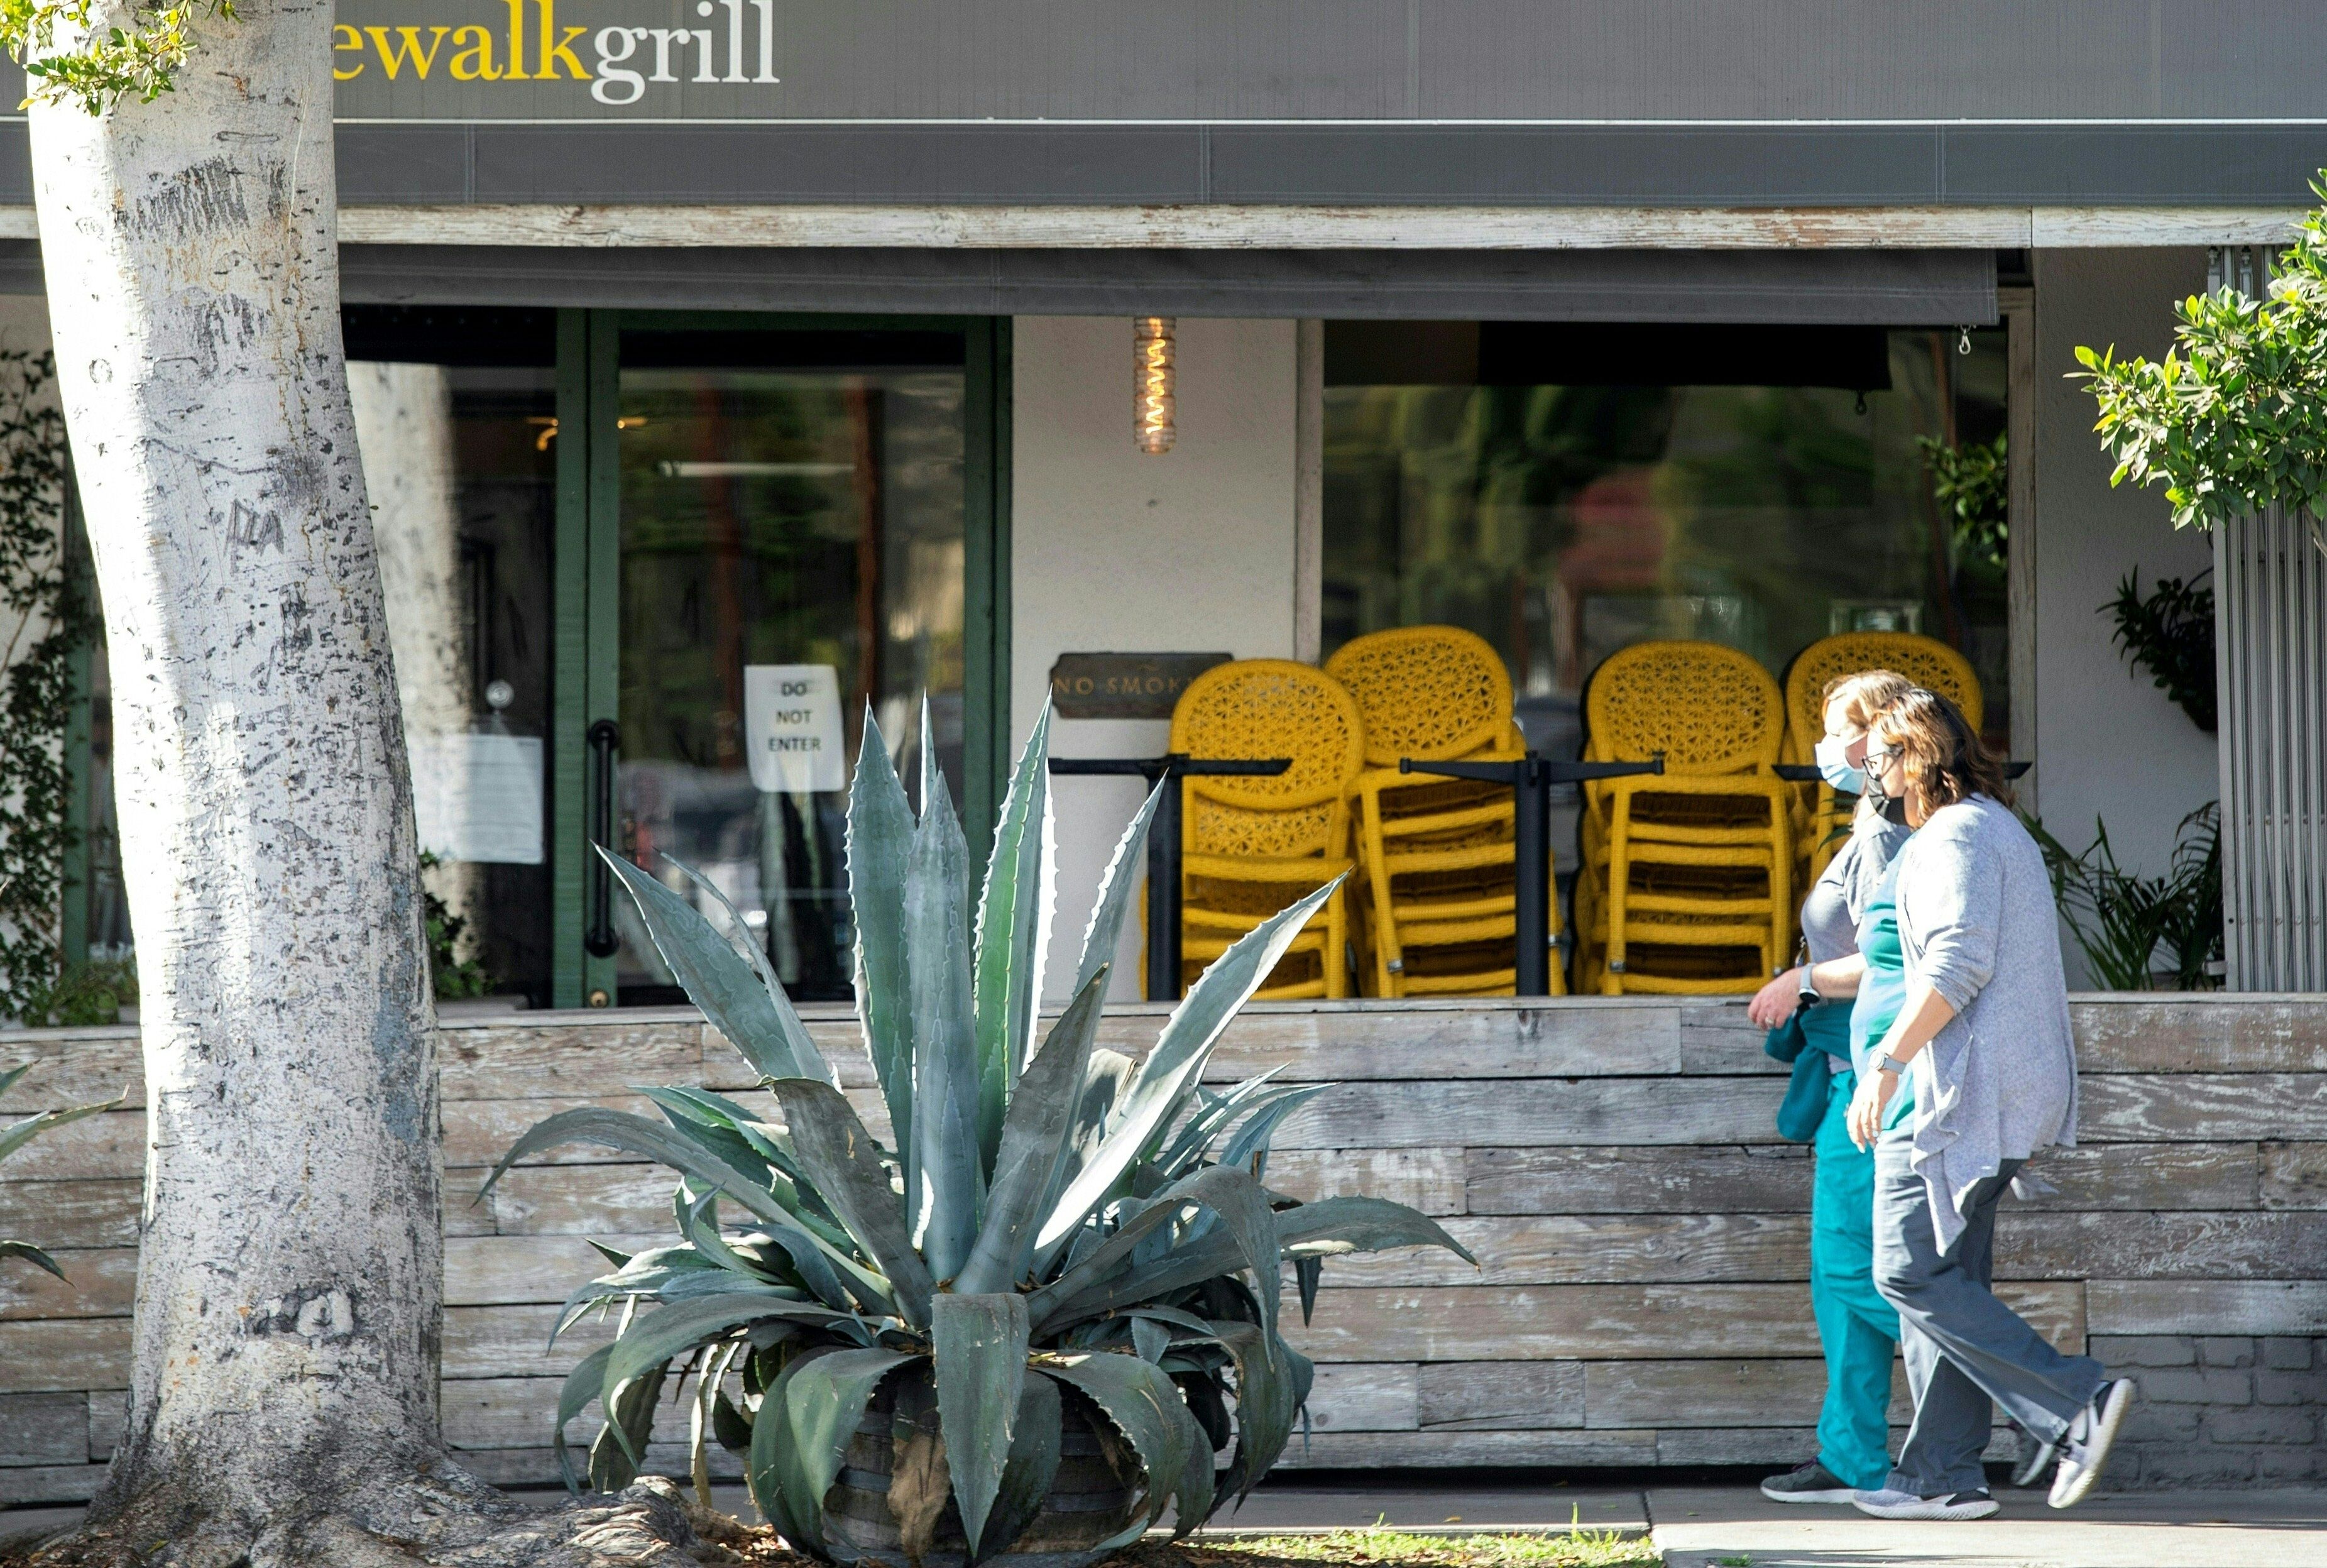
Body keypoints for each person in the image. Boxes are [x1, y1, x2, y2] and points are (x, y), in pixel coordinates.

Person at [1846, 689, 2135, 1520]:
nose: (1871, 775)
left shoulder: (1958, 835)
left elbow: (1957, 963)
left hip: (1960, 1096)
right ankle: (1940, 1474)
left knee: (1907, 1271)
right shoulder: (1984, 829)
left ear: (1915, 757)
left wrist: (1887, 1066)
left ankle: (2077, 1398)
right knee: (1950, 1275)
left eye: (1878, 759)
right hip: (1988, 1093)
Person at [1748, 671, 1915, 1506]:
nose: (1825, 750)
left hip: (1876, 1090)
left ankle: (2023, 1390)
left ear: (1882, 737)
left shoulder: (1891, 834)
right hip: (1854, 1085)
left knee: (1854, 1275)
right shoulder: (1868, 827)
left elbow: (1902, 957)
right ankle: (1852, 1455)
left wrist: (1806, 981)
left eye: (1837, 731)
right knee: (1840, 1282)